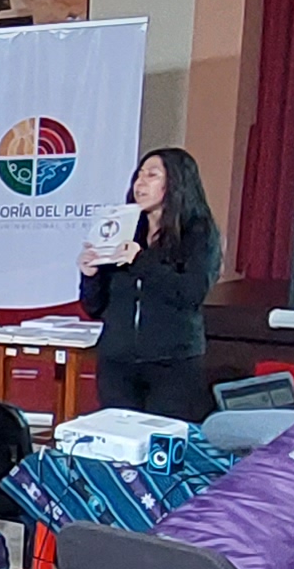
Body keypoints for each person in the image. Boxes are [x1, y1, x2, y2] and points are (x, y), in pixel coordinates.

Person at [82, 148, 221, 423]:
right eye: (138, 175)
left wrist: (141, 260)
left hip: (172, 364)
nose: (140, 183)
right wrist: (91, 275)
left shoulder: (197, 232)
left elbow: (190, 293)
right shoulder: (123, 231)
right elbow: (95, 307)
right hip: (117, 364)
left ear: (176, 183)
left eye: (152, 175)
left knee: (161, 449)